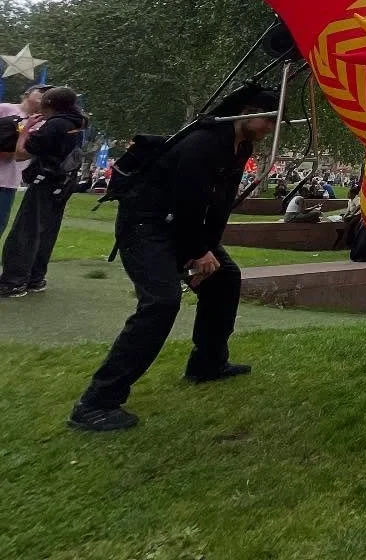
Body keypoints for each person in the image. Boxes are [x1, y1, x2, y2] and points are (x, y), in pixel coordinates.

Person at [69, 84, 280, 432]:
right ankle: (96, 403)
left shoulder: (240, 146)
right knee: (161, 303)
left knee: (225, 278)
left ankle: (208, 363)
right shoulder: (205, 142)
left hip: (177, 227)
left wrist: (206, 252)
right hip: (146, 226)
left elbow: (219, 206)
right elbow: (187, 203)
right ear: (245, 111)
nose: (270, 128)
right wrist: (196, 253)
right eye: (267, 119)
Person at [0, 86, 87, 298]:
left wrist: (27, 129)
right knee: (46, 231)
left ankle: (14, 281)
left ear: (50, 105)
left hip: (45, 180)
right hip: (63, 182)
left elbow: (20, 155)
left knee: (25, 232)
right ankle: (35, 277)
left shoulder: (55, 125)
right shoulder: (78, 123)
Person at [0, 85, 45, 238]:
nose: (44, 95)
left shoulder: (42, 123)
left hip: (9, 180)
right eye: (41, 91)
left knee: (1, 222)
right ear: (27, 94)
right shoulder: (5, 108)